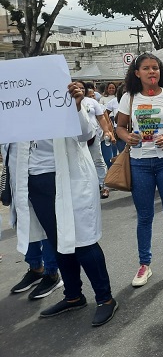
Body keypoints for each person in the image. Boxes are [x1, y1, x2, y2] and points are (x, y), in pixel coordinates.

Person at [6, 82, 117, 326]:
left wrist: (74, 108)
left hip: (67, 180)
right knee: (58, 241)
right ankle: (73, 296)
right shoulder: (14, 110)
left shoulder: (60, 100)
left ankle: (105, 299)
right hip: (35, 184)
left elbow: (86, 135)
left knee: (83, 242)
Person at [116, 53, 163, 287]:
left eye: (156, 68)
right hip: (139, 164)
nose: (152, 72)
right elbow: (119, 127)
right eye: (147, 68)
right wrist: (127, 136)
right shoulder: (129, 98)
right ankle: (144, 264)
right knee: (145, 216)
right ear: (137, 73)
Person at [77, 81, 115, 199]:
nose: (80, 90)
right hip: (76, 139)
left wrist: (107, 130)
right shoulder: (67, 103)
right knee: (80, 163)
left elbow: (101, 118)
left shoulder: (92, 102)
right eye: (77, 88)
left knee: (98, 160)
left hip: (94, 136)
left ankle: (104, 186)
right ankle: (85, 188)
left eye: (82, 88)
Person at [99, 82, 119, 168]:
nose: (111, 89)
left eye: (113, 88)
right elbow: (104, 113)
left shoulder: (116, 98)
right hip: (107, 120)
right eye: (109, 88)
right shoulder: (103, 99)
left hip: (112, 120)